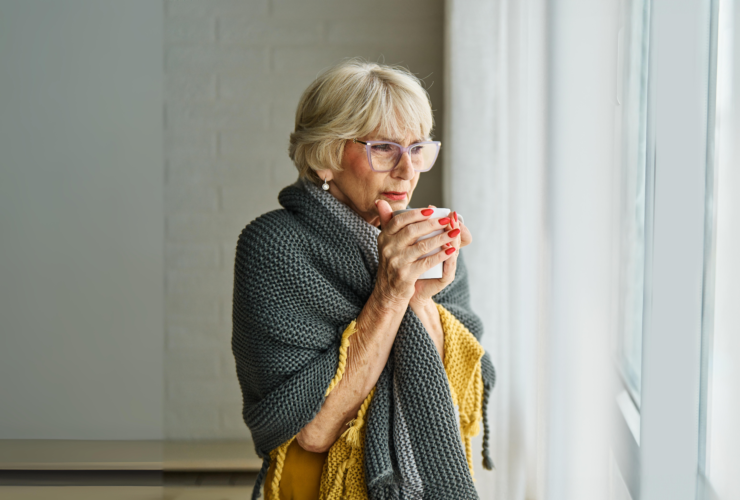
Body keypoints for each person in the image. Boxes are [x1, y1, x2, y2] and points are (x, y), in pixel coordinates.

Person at [231, 58, 496, 500]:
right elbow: (314, 432)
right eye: (385, 149)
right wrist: (389, 295)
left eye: (418, 149)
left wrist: (418, 300)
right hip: (318, 486)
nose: (408, 170)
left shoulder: (426, 241)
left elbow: (459, 392)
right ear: (326, 157)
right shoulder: (273, 246)